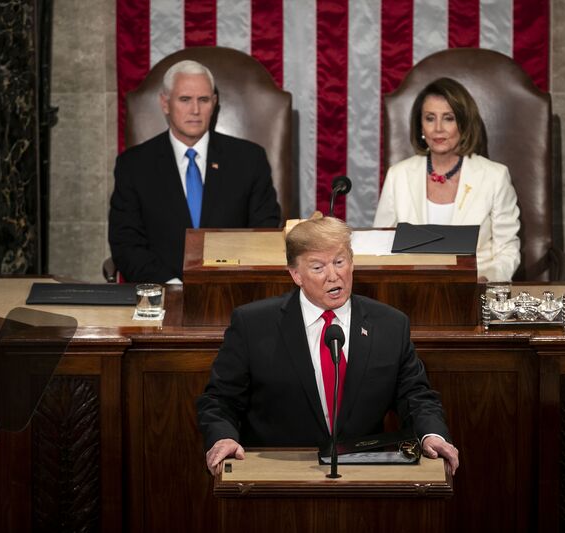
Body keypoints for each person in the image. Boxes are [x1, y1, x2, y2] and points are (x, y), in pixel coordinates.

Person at [196, 216, 459, 476]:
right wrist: (223, 438)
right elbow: (220, 400)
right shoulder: (253, 325)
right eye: (318, 267)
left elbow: (416, 396)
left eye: (339, 262)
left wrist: (431, 434)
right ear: (296, 274)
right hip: (279, 474)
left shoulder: (390, 325)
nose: (333, 276)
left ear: (352, 263)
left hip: (364, 477)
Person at [108, 60, 281, 283]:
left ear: (214, 103)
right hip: (161, 292)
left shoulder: (249, 159)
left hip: (233, 292)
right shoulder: (133, 165)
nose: (195, 110)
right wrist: (170, 285)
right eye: (185, 99)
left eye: (204, 99)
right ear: (165, 103)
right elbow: (126, 243)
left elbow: (263, 231)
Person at [373, 77, 520, 282]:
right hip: (412, 290)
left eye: (449, 118)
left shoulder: (495, 177)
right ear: (420, 126)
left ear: (464, 123)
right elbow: (381, 245)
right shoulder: (398, 175)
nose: (438, 128)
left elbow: (508, 250)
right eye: (430, 118)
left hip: (474, 291)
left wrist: (487, 279)